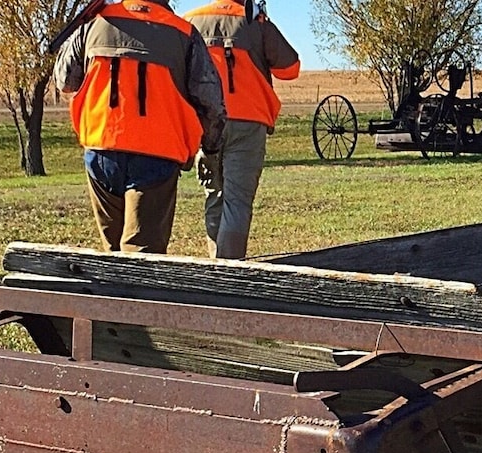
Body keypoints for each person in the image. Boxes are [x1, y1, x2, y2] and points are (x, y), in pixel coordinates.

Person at [54, 0, 228, 254]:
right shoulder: (183, 33)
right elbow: (211, 103)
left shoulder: (94, 22)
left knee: (111, 255)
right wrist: (211, 149)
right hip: (158, 155)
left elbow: (65, 80)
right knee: (142, 257)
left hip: (101, 149)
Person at [184, 0, 302, 259]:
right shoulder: (254, 22)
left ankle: (217, 265)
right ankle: (229, 272)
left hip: (205, 122)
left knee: (214, 195)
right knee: (236, 202)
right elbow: (290, 68)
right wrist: (264, 26)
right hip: (249, 122)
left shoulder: (190, 20)